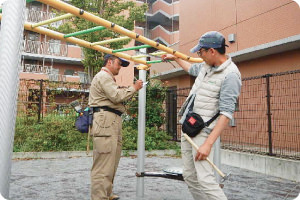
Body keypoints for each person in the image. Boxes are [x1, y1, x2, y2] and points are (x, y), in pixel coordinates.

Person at [162, 31, 242, 200]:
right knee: (190, 177)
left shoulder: (231, 75)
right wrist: (175, 58)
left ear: (212, 51)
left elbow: (226, 114)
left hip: (203, 134)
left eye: (201, 52)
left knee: (205, 180)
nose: (200, 56)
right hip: (189, 127)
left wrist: (208, 144)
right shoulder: (207, 67)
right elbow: (191, 69)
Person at [89, 54, 143, 200]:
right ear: (109, 62)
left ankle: (106, 193)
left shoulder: (107, 78)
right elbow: (116, 96)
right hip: (105, 120)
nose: (120, 67)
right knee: (103, 163)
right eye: (119, 64)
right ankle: (99, 197)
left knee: (111, 161)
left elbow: (115, 96)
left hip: (110, 120)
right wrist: (133, 88)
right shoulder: (103, 76)